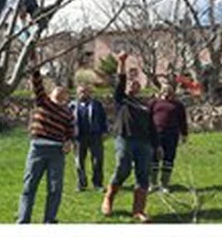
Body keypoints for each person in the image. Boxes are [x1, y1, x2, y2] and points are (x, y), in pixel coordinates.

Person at [16, 52, 75, 224]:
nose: (60, 92)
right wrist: (33, 63)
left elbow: (70, 133)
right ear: (51, 94)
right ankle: (23, 221)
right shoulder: (43, 102)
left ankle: (49, 220)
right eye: (57, 91)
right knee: (29, 187)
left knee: (55, 188)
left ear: (66, 97)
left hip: (57, 151)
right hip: (38, 149)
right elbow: (37, 83)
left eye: (63, 92)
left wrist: (69, 142)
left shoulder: (68, 113)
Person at [103, 52, 155, 222]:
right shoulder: (122, 100)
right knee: (122, 168)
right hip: (125, 138)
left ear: (140, 88)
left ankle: (138, 210)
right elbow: (120, 80)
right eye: (131, 83)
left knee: (143, 174)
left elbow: (152, 126)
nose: (133, 85)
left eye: (136, 84)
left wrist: (158, 145)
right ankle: (109, 198)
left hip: (144, 142)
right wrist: (121, 62)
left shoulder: (145, 105)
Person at [148, 80, 189, 192]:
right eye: (164, 90)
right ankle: (153, 183)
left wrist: (184, 134)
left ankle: (164, 184)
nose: (166, 92)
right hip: (156, 133)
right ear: (161, 91)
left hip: (172, 134)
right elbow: (147, 118)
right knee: (154, 158)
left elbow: (182, 120)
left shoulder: (178, 105)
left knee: (168, 158)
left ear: (172, 92)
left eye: (169, 90)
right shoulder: (154, 103)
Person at [69, 84, 108, 191]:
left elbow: (103, 118)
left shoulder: (97, 104)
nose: (83, 94)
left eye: (86, 91)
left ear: (90, 93)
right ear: (77, 93)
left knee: (97, 160)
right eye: (81, 91)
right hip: (79, 137)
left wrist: (104, 131)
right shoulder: (72, 105)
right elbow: (68, 122)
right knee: (79, 162)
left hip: (95, 136)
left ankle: (97, 184)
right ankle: (81, 184)